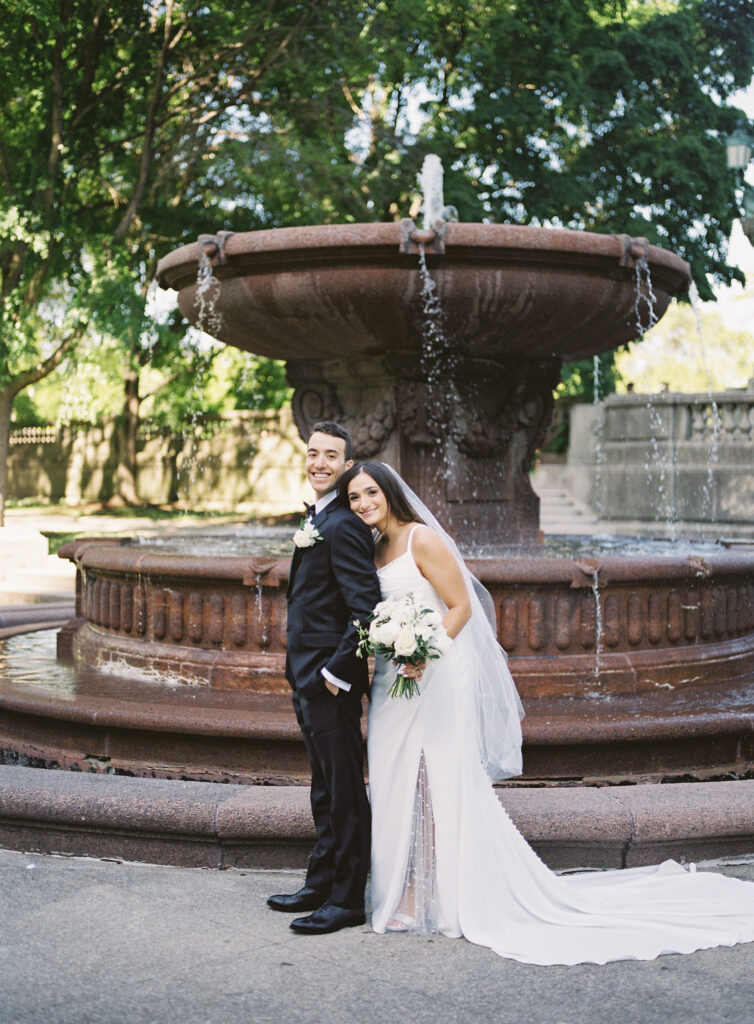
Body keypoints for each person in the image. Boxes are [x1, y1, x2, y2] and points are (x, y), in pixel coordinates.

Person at [339, 460, 754, 965]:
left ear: (389, 492)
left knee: (434, 780)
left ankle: (423, 894)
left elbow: (460, 607)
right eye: (354, 497)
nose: (362, 504)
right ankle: (408, 885)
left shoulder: (419, 538)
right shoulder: (371, 545)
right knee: (392, 777)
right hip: (391, 680)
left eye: (370, 493)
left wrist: (421, 652)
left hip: (434, 674)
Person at [267, 423, 381, 935]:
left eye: (330, 456)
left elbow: (366, 611)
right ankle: (320, 882)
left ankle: (347, 898)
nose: (318, 462)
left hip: (330, 682)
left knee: (344, 792)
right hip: (307, 678)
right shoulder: (316, 518)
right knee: (323, 787)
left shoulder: (344, 524)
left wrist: (337, 674)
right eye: (312, 453)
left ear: (347, 464)